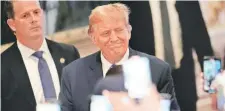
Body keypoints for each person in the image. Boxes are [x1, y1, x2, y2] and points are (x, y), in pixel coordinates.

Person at [59, 3, 179, 111]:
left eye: (119, 30)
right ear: (93, 37)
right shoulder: (72, 74)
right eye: (106, 33)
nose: (114, 38)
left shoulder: (158, 69)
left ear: (129, 31)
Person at [1, 1, 80, 111]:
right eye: (25, 15)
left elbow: (80, 100)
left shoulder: (69, 53)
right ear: (12, 24)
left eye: (36, 12)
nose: (33, 19)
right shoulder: (3, 66)